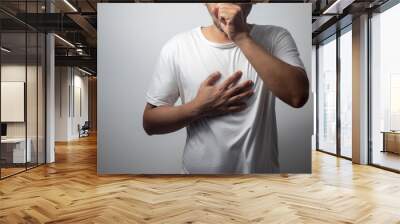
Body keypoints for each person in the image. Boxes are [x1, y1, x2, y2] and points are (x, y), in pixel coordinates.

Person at [143, 3, 309, 174]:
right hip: (198, 185)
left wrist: (242, 37)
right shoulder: (177, 46)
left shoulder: (275, 37)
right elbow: (150, 122)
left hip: (260, 184)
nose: (226, 6)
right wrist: (198, 108)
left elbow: (297, 96)